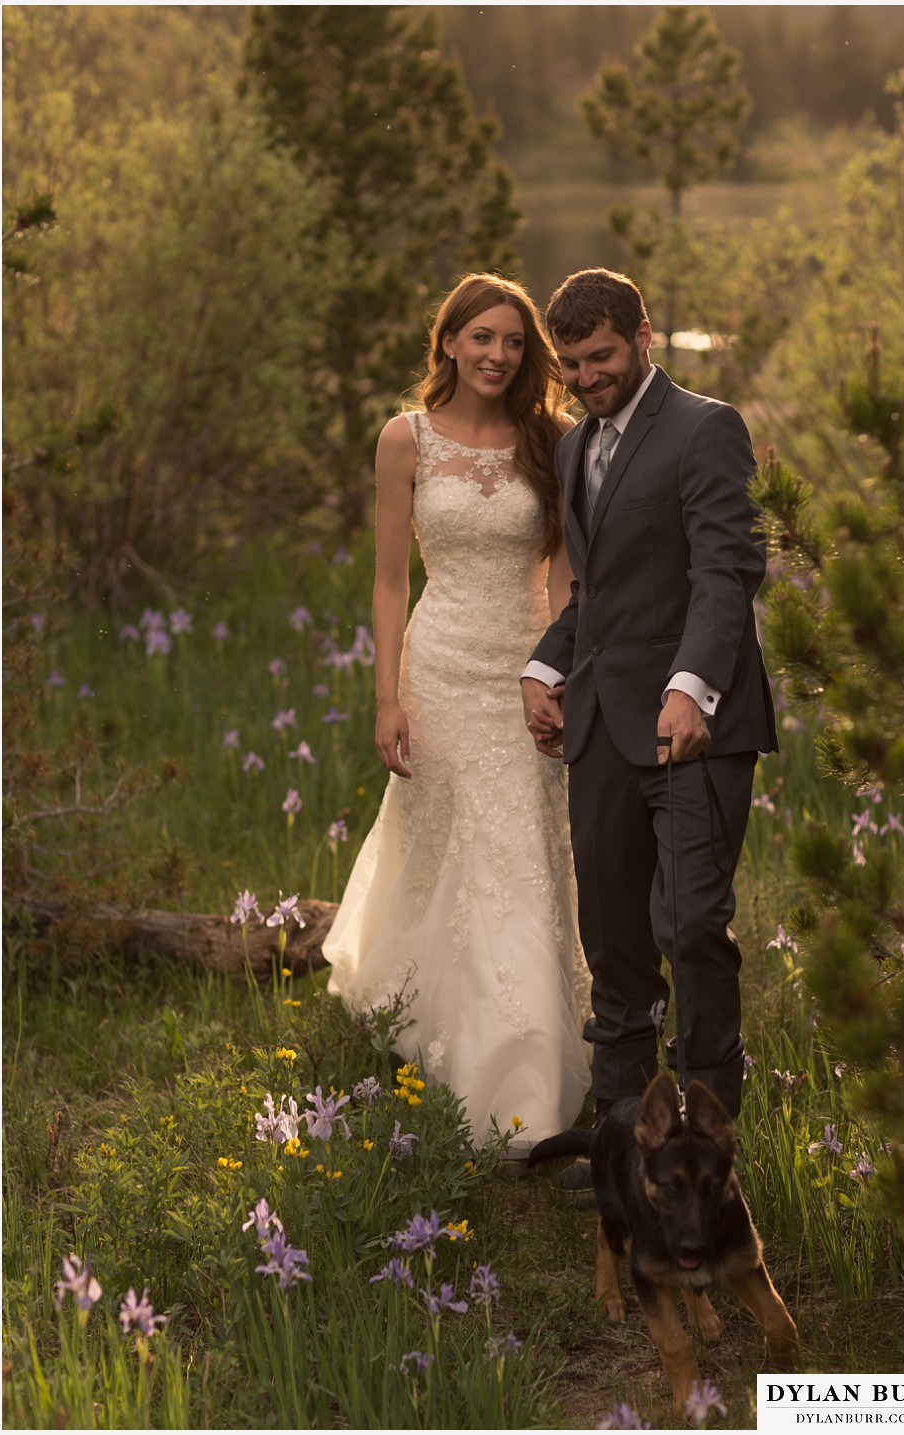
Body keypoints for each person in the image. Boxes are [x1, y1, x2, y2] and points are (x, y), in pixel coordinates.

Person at [325, 273, 591, 1153]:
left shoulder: (553, 439)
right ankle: (434, 1037)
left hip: (522, 672)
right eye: (481, 337)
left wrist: (553, 668)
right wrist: (387, 694)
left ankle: (524, 1084)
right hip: (438, 669)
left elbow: (560, 574)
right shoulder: (404, 440)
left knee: (519, 856)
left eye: (513, 342)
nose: (497, 355)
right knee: (446, 853)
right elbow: (392, 577)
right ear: (447, 342)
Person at [521, 267, 777, 1124]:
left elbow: (726, 570)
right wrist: (544, 668)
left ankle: (705, 1127)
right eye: (572, 365)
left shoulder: (707, 429)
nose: (587, 377)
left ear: (644, 336)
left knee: (691, 925)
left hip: (690, 728)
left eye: (601, 357)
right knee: (615, 938)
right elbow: (597, 595)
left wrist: (691, 690)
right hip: (599, 727)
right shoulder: (570, 447)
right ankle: (623, 1124)